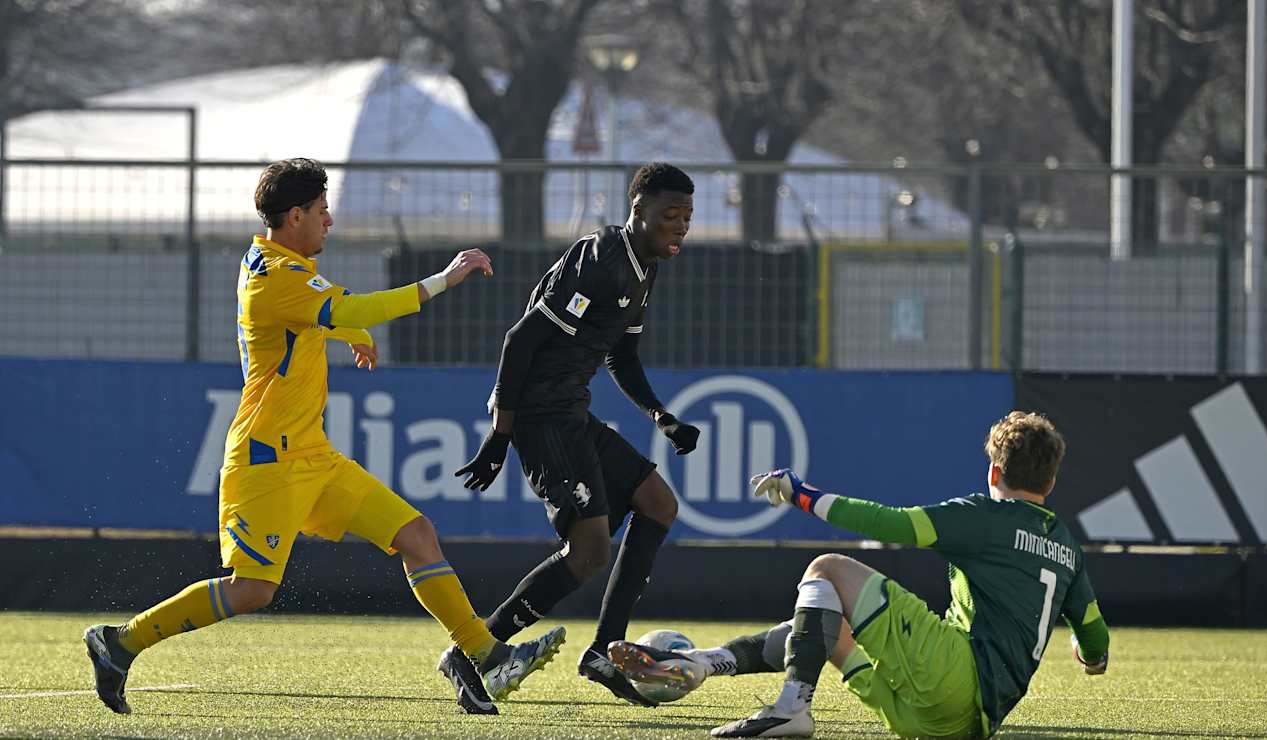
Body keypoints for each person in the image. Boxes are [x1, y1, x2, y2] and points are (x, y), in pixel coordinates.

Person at [83, 158, 565, 716]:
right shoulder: (276, 275)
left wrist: (349, 330)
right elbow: (345, 304)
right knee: (252, 589)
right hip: (267, 458)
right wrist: (443, 279)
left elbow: (316, 314)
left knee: (415, 534)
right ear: (294, 216)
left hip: (311, 453)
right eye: (321, 210)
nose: (329, 220)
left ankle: (486, 655)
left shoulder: (277, 263)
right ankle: (120, 642)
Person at [610, 411, 1111, 738]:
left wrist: (802, 494)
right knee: (826, 621)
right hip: (962, 723)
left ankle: (792, 706)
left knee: (826, 570)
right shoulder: (1066, 545)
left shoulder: (987, 516)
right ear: (1051, 481)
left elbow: (893, 524)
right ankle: (704, 663)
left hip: (953, 681)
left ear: (994, 473)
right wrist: (1088, 656)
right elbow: (1095, 639)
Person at [442, 162, 701, 712]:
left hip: (571, 412)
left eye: (686, 216)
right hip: (540, 417)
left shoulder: (645, 267)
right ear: (638, 211)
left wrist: (661, 416)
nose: (680, 226)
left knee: (658, 504)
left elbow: (622, 355)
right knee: (588, 552)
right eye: (670, 215)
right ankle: (468, 654)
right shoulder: (602, 260)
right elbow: (519, 340)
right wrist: (500, 435)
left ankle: (604, 651)